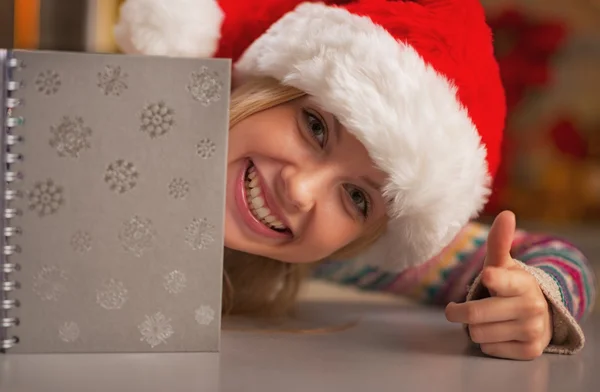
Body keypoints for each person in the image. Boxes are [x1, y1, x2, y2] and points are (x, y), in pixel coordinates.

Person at [113, 0, 596, 360]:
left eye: (358, 199)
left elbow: (558, 258)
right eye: (315, 127)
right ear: (261, 86)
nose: (300, 193)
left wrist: (533, 300)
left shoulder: (324, 261)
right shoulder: (115, 140)